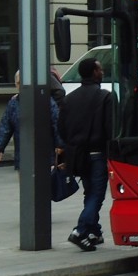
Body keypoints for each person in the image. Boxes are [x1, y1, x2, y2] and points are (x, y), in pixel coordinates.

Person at [58, 58, 112, 251]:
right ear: (94, 72)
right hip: (97, 153)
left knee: (89, 192)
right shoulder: (105, 97)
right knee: (97, 194)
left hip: (77, 155)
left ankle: (94, 232)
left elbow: (61, 128)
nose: (102, 71)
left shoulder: (69, 99)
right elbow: (110, 129)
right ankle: (80, 230)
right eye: (99, 68)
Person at [0, 70, 62, 169]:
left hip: (45, 153)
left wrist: (60, 145)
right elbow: (5, 127)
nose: (21, 86)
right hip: (23, 155)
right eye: (18, 83)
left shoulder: (46, 101)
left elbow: (56, 123)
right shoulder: (13, 104)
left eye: (23, 83)